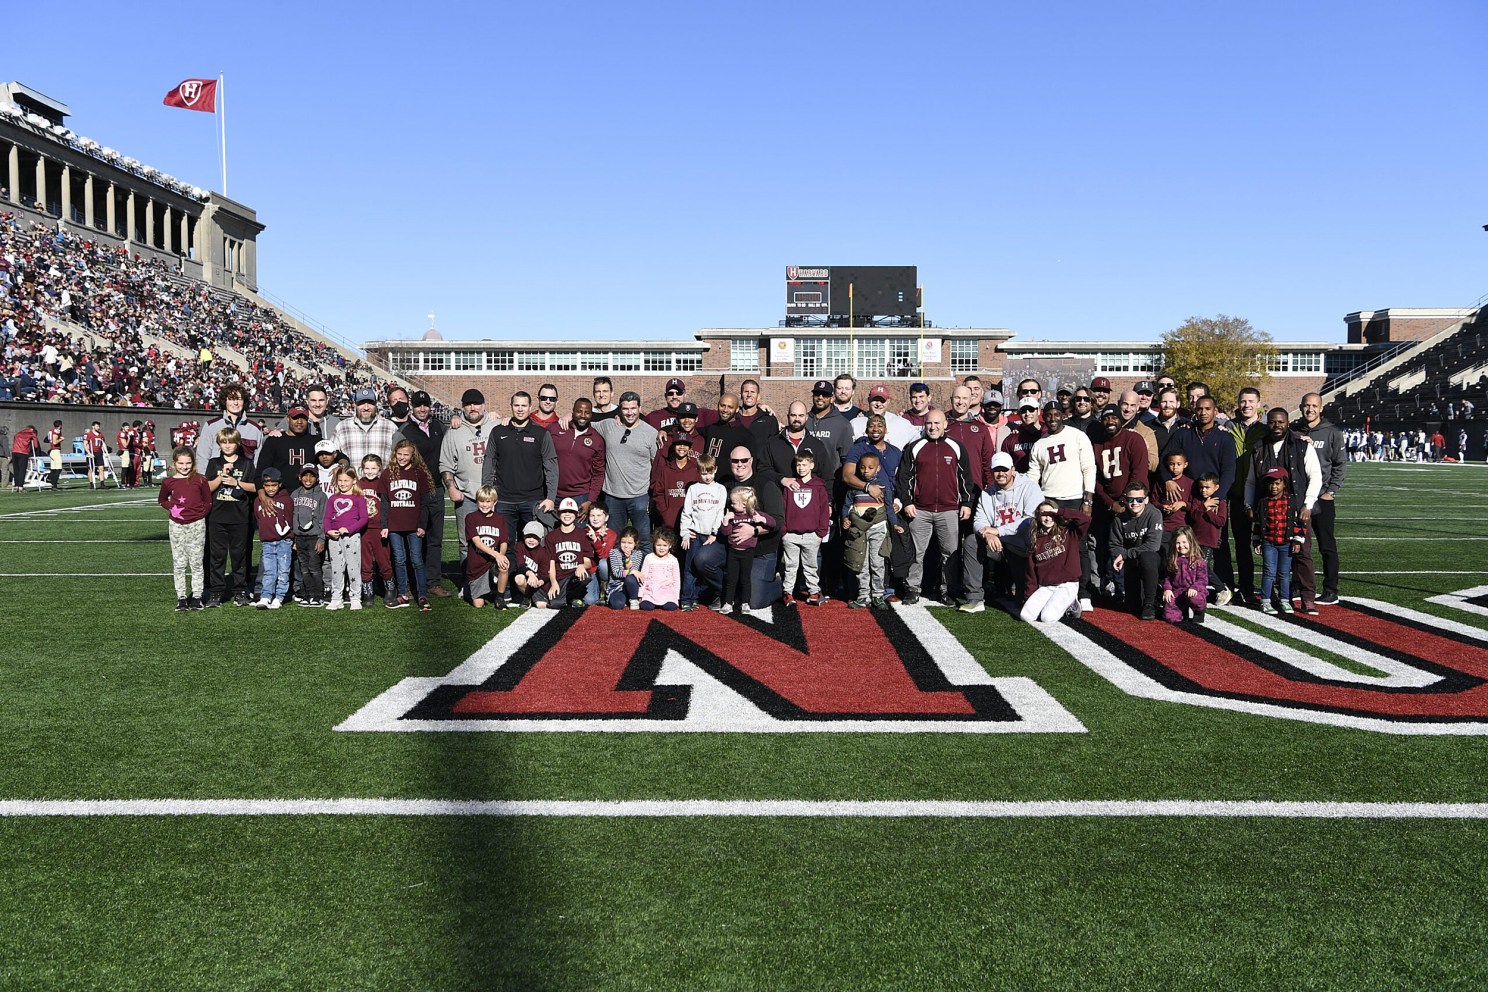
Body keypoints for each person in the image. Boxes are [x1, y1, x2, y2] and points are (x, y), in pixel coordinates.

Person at [1245, 407, 1321, 615]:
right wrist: (1248, 505)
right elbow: (1251, 480)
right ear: (1267, 423)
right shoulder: (1260, 446)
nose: (1276, 426)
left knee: (1302, 553)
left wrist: (1308, 504)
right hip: (1268, 509)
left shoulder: (1301, 445)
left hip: (1296, 509)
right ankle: (1272, 597)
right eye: (1272, 422)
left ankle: (1307, 598)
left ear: (1288, 422)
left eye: (1281, 422)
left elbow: (1315, 475)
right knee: (1270, 558)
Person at [896, 410, 976, 606]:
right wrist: (907, 502)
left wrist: (966, 502)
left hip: (949, 509)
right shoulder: (915, 447)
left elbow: (966, 478)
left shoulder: (956, 447)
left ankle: (947, 590)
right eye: (929, 423)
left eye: (937, 423)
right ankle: (912, 589)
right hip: (920, 510)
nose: (932, 427)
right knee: (916, 552)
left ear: (945, 424)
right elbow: (904, 477)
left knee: (950, 553)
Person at [1027, 400, 1096, 611]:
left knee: (1079, 547)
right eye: (1049, 415)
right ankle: (1052, 587)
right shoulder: (1040, 444)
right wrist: (1033, 503)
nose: (1053, 418)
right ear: (1043, 417)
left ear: (1062, 415)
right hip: (1049, 500)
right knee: (1052, 546)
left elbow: (1088, 467)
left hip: (1075, 498)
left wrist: (1087, 499)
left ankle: (1082, 593)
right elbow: (1033, 476)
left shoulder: (1077, 436)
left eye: (1057, 414)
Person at [967, 452, 1043, 605]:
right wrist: (986, 534)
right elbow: (979, 520)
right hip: (999, 545)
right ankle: (974, 597)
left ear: (1013, 470)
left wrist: (997, 530)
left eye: (1004, 469)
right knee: (971, 541)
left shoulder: (1030, 487)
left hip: (1024, 549)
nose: (1001, 474)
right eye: (996, 470)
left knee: (1027, 601)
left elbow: (1030, 520)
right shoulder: (987, 494)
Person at [1291, 392, 1346, 605]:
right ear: (1301, 406)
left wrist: (1330, 492)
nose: (1310, 409)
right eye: (1306, 405)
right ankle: (1297, 585)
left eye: (1314, 406)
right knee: (1298, 542)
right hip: (1301, 498)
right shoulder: (1295, 432)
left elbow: (1340, 465)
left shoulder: (1332, 432)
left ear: (1321, 408)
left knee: (1327, 545)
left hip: (1322, 498)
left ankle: (1331, 589)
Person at [592, 391, 661, 552]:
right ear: (619, 410)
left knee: (643, 541)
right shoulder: (609, 425)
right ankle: (616, 575)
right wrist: (567, 416)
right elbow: (583, 421)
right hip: (613, 496)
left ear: (639, 408)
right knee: (614, 541)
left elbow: (656, 468)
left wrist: (652, 495)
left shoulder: (651, 433)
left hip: (640, 496)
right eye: (625, 409)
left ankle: (645, 575)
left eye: (633, 408)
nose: (629, 412)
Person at [440, 389, 500, 571]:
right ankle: (469, 582)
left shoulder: (496, 424)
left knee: (496, 539)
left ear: (484, 405)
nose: (473, 408)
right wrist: (451, 487)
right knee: (466, 541)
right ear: (462, 407)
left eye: (477, 404)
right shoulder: (454, 431)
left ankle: (496, 582)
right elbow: (445, 464)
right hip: (467, 495)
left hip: (495, 494)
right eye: (468, 404)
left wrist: (502, 418)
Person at [482, 391, 559, 533]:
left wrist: (550, 498)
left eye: (524, 405)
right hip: (503, 500)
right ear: (511, 406)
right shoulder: (498, 432)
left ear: (530, 407)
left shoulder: (541, 434)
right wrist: (487, 496)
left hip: (533, 501)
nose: (520, 409)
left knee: (533, 546)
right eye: (516, 405)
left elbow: (551, 467)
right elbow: (489, 463)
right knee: (505, 545)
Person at [400, 390, 449, 596]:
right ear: (412, 406)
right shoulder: (405, 431)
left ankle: (433, 582)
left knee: (435, 539)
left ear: (430, 406)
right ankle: (412, 583)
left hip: (436, 489)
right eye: (418, 405)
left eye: (425, 405)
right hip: (414, 492)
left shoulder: (438, 426)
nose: (422, 409)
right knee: (413, 539)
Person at [203, 428, 258, 608]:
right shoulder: (214, 463)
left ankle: (240, 590)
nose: (227, 446)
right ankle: (216, 591)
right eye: (224, 442)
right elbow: (207, 488)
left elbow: (256, 487)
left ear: (238, 443)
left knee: (239, 556)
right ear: (219, 444)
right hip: (217, 517)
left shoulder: (246, 464)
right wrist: (222, 476)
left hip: (239, 517)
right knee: (217, 557)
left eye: (231, 442)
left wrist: (237, 483)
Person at [842, 450, 900, 609]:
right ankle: (863, 596)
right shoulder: (854, 488)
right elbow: (847, 507)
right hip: (858, 532)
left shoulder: (884, 486)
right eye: (862, 467)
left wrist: (894, 524)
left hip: (878, 530)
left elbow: (889, 508)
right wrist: (845, 519)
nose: (865, 470)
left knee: (877, 563)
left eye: (870, 467)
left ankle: (878, 596)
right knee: (861, 564)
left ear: (878, 469)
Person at [1225, 387, 1266, 606]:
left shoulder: (1266, 430)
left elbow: (1287, 434)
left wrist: (1301, 437)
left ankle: (1272, 589)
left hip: (1261, 496)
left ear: (1259, 403)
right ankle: (1246, 588)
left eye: (1251, 401)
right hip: (1237, 495)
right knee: (1241, 545)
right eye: (1243, 401)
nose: (1247, 405)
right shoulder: (1229, 427)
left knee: (1268, 544)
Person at [384, 439, 435, 610]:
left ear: (413, 456)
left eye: (406, 455)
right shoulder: (388, 473)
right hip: (394, 526)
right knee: (399, 559)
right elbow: (384, 503)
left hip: (414, 525)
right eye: (399, 454)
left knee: (417, 560)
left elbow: (425, 503)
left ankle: (422, 594)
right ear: (394, 454)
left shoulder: (419, 474)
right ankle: (402, 594)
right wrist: (385, 525)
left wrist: (422, 524)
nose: (402, 458)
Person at [158, 446, 211, 611]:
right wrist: (172, 508)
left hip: (197, 525)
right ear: (174, 463)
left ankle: (197, 596)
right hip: (176, 525)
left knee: (196, 562)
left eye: (188, 463)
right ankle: (181, 597)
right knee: (179, 562)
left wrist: (201, 514)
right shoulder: (169, 481)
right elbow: (162, 500)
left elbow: (208, 501)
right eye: (181, 463)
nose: (184, 466)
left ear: (193, 463)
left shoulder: (200, 480)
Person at [1020, 501, 1090, 623]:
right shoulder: (1036, 539)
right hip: (1046, 587)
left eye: (1050, 514)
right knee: (1026, 616)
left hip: (1067, 584)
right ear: (1037, 516)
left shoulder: (1069, 532)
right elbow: (1031, 574)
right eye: (1044, 514)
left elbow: (1085, 519)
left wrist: (1060, 512)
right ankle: (1058, 602)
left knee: (1047, 617)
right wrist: (1029, 597)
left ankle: (1072, 603)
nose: (1048, 518)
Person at [779, 452, 831, 605]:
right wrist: (784, 531)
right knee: (790, 566)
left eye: (804, 464)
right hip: (791, 535)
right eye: (798, 465)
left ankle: (813, 592)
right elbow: (783, 507)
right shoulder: (791, 484)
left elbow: (823, 510)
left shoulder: (819, 486)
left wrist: (820, 532)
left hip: (812, 535)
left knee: (811, 566)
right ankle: (788, 592)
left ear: (812, 466)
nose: (801, 468)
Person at [1253, 466, 1305, 615]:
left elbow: (1298, 522)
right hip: (1269, 542)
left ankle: (1284, 600)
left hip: (1286, 543)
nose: (1274, 487)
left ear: (1284, 483)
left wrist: (1297, 541)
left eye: (1277, 483)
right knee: (1269, 572)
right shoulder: (1263, 502)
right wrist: (1256, 541)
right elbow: (1258, 524)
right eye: (1271, 484)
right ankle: (1265, 601)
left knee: (1284, 573)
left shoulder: (1291, 501)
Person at [678, 455, 727, 609]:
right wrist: (685, 532)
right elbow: (686, 512)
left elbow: (720, 512)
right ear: (698, 472)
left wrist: (714, 533)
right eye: (704, 473)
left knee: (703, 565)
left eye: (711, 472)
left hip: (711, 535)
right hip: (695, 534)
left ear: (716, 470)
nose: (708, 476)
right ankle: (687, 599)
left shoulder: (720, 489)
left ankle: (698, 596)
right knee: (690, 567)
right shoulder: (693, 489)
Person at [1110, 482, 1163, 619]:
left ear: (1146, 499)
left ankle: (1150, 603)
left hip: (1153, 561)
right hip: (1131, 562)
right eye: (1130, 500)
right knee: (1132, 607)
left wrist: (1125, 555)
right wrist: (1119, 556)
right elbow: (1115, 544)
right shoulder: (1119, 519)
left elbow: (1153, 545)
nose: (1135, 503)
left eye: (1139, 499)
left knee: (1148, 557)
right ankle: (1147, 596)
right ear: (1125, 500)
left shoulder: (1154, 514)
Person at [718, 485, 774, 616]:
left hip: (747, 552)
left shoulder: (753, 514)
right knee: (731, 579)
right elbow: (725, 532)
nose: (731, 505)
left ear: (744, 504)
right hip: (733, 551)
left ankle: (745, 602)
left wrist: (762, 519)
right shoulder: (732, 516)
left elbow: (772, 523)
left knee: (745, 579)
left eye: (734, 503)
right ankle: (728, 602)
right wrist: (726, 520)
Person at [550, 398, 606, 521]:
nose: (583, 416)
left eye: (587, 412)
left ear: (591, 414)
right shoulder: (555, 429)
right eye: (579, 411)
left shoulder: (597, 440)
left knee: (578, 537)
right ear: (572, 412)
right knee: (551, 537)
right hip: (553, 494)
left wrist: (590, 500)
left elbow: (598, 474)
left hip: (580, 496)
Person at [322, 467, 368, 611]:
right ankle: (336, 598)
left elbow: (364, 518)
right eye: (340, 480)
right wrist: (328, 530)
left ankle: (355, 597)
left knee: (353, 567)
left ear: (353, 481)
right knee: (336, 568)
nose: (342, 483)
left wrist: (349, 529)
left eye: (346, 481)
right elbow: (327, 518)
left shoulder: (358, 498)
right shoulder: (332, 498)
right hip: (334, 539)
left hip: (351, 538)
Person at [252, 468, 294, 610]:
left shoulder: (287, 500)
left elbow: (290, 519)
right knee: (269, 571)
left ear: (280, 484)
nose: (270, 489)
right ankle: (266, 596)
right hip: (267, 543)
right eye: (267, 485)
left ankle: (279, 597)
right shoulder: (258, 501)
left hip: (284, 542)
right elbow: (259, 519)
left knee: (283, 571)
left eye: (274, 485)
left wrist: (291, 538)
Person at [464, 486, 512, 609]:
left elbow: (504, 541)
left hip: (492, 561)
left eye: (488, 501)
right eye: (481, 501)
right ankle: (474, 589)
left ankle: (500, 597)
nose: (485, 505)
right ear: (476, 501)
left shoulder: (500, 519)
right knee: (478, 605)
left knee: (504, 565)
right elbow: (477, 542)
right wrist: (497, 555)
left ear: (494, 502)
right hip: (477, 563)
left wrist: (501, 556)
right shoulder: (471, 518)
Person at [543, 497, 596, 608]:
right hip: (560, 577)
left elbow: (590, 560)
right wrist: (553, 582)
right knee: (555, 604)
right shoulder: (551, 537)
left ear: (576, 514)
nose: (567, 514)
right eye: (564, 512)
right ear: (559, 514)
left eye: (571, 512)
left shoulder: (582, 534)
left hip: (574, 576)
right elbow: (550, 563)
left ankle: (574, 597)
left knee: (584, 577)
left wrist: (581, 565)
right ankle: (569, 598)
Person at [331, 387, 398, 470]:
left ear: (376, 404)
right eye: (361, 403)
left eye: (370, 403)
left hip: (382, 481)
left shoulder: (390, 427)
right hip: (352, 481)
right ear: (354, 404)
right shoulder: (342, 427)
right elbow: (332, 454)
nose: (366, 407)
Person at [358, 454, 394, 607]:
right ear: (362, 468)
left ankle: (390, 589)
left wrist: (386, 525)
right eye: (367, 468)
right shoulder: (358, 484)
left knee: (383, 560)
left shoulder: (383, 483)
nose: (370, 471)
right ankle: (368, 592)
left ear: (380, 468)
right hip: (363, 530)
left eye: (373, 468)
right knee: (365, 562)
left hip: (379, 529)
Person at [291, 463, 328, 607]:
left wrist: (321, 538)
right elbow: (292, 517)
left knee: (314, 567)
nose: (308, 478)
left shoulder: (321, 496)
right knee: (304, 568)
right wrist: (293, 538)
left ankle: (318, 596)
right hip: (299, 538)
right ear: (299, 477)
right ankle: (308, 594)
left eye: (312, 475)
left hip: (314, 537)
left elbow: (324, 519)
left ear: (317, 478)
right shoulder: (294, 494)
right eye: (305, 475)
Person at [1187, 472, 1228, 602]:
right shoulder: (1197, 500)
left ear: (1216, 487)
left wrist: (1209, 511)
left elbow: (1221, 521)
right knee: (1195, 565)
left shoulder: (1220, 502)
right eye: (1201, 487)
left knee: (1203, 566)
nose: (1203, 490)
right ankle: (1200, 590)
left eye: (1207, 487)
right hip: (1195, 539)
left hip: (1209, 540)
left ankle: (1221, 589)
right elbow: (1193, 516)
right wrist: (1204, 507)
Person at [766, 401, 833, 479]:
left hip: (811, 490)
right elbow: (763, 469)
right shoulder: (773, 443)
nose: (797, 419)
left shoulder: (817, 445)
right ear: (788, 416)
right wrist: (781, 479)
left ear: (806, 418)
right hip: (781, 490)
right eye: (793, 415)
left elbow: (827, 476)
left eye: (801, 415)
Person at [1162, 526, 1209, 625]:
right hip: (1178, 592)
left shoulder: (1199, 561)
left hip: (1195, 591)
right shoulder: (1172, 560)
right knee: (1170, 618)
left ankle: (1199, 611)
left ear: (1191, 542)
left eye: (1184, 542)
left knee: (1195, 599)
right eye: (1178, 543)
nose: (1181, 546)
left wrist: (1194, 588)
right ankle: (1183, 612)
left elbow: (1203, 580)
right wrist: (1167, 589)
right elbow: (1167, 578)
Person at [850, 384, 919, 450]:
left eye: (882, 400)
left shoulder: (901, 423)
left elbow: (919, 441)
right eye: (875, 400)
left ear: (888, 402)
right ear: (869, 400)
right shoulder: (856, 423)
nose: (878, 404)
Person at [638, 527, 682, 611]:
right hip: (651, 591)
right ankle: (649, 600)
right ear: (654, 544)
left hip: (667, 592)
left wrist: (677, 596)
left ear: (670, 545)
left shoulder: (673, 560)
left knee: (670, 607)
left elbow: (676, 580)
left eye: (665, 545)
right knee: (646, 607)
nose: (661, 548)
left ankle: (669, 600)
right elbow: (643, 577)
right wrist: (640, 595)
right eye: (659, 545)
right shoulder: (649, 558)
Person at [511, 522, 552, 608]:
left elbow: (546, 575)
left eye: (535, 537)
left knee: (541, 605)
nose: (531, 540)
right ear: (523, 535)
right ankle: (526, 597)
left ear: (541, 538)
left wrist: (539, 582)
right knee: (519, 578)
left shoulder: (544, 553)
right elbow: (520, 565)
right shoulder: (519, 546)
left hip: (538, 583)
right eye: (528, 536)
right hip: (525, 580)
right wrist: (530, 574)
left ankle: (534, 597)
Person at [607, 527, 645, 609]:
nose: (626, 545)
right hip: (617, 587)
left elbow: (632, 573)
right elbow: (616, 573)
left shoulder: (638, 554)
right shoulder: (613, 552)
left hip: (631, 586)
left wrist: (628, 559)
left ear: (635, 543)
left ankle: (633, 599)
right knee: (617, 605)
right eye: (623, 542)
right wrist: (633, 571)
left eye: (630, 543)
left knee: (630, 578)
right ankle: (623, 599)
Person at [1001, 397, 1042, 474]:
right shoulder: (1010, 439)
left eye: (1031, 409)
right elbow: (1005, 468)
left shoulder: (1047, 434)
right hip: (1020, 484)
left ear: (1038, 411)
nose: (1027, 413)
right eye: (1023, 411)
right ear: (1019, 413)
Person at [84, 421, 107, 489]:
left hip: (99, 452)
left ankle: (102, 483)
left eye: (99, 426)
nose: (98, 427)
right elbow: (85, 444)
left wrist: (106, 452)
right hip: (92, 453)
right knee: (90, 469)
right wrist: (89, 453)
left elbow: (103, 444)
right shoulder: (89, 434)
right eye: (97, 426)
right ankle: (91, 483)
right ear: (93, 426)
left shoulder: (101, 434)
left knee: (101, 468)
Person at [44, 420, 63, 491]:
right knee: (58, 468)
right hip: (55, 451)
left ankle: (52, 483)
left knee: (53, 468)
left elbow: (46, 439)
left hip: (52, 451)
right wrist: (61, 439)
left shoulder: (50, 430)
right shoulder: (56, 431)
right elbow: (55, 442)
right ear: (60, 425)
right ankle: (53, 483)